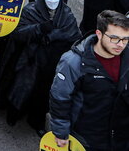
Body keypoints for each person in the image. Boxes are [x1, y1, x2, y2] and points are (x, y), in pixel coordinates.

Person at [0, 0, 81, 136]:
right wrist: (38, 29)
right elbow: (18, 33)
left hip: (52, 64)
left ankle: (37, 121)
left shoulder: (66, 14)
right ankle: (14, 114)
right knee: (21, 89)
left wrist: (53, 35)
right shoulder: (30, 10)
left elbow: (74, 37)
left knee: (43, 93)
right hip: (29, 61)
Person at [49, 10, 129, 150]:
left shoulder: (126, 56)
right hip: (88, 137)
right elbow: (60, 97)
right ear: (99, 34)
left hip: (120, 135)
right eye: (115, 38)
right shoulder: (73, 62)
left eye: (125, 39)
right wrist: (60, 132)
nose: (121, 45)